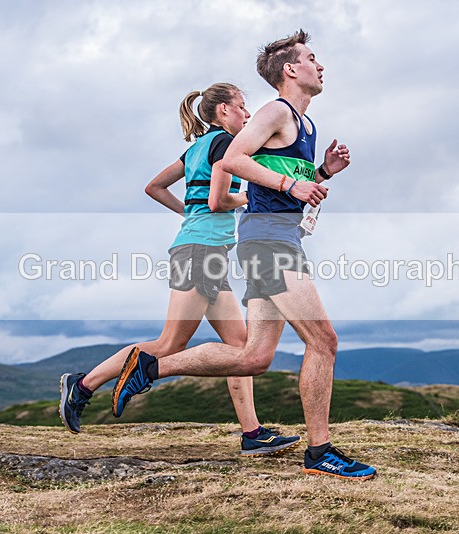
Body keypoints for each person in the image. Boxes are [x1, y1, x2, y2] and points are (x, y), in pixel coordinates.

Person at [112, 31, 376, 480]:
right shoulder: (276, 110)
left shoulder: (303, 125)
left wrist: (322, 171)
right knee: (323, 342)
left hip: (278, 237)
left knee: (255, 357)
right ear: (290, 70)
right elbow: (232, 159)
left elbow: (271, 170)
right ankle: (320, 453)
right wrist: (292, 186)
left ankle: (152, 365)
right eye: (313, 58)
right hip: (269, 242)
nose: (321, 65)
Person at [59, 82, 300, 457]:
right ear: (223, 111)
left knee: (239, 347)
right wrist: (252, 197)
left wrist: (188, 212)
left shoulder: (195, 148)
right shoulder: (223, 145)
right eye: (241, 107)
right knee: (170, 344)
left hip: (203, 250)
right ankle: (83, 385)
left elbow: (154, 187)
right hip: (200, 252)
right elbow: (219, 200)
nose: (248, 114)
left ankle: (252, 433)